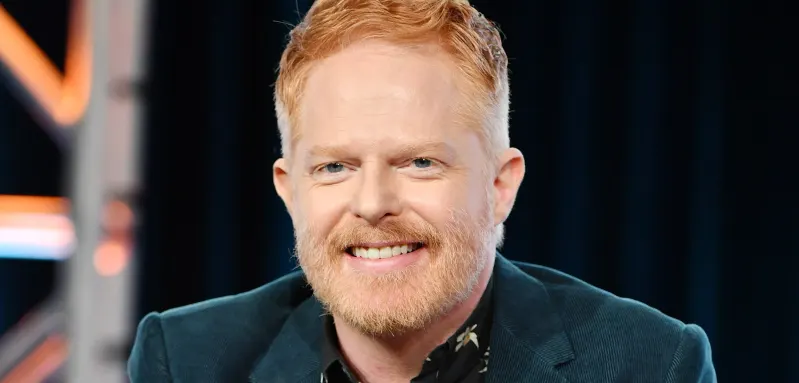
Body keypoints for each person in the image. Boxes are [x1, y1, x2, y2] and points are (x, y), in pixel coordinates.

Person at [128, 0, 716, 382]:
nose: (372, 202)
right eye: (334, 167)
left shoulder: (649, 365)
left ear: (500, 185)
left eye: (419, 162)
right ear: (289, 190)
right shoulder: (184, 361)